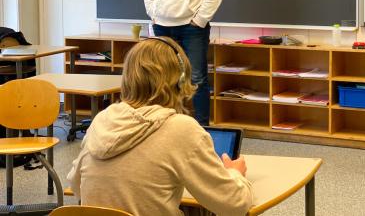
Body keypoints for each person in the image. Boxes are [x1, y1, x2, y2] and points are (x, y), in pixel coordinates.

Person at [67, 37, 253, 216]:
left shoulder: (102, 120)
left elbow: (76, 187)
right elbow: (234, 204)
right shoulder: (182, 129)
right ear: (180, 81)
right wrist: (235, 173)